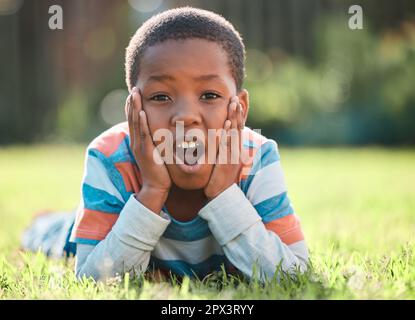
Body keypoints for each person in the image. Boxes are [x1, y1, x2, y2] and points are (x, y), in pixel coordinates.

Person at [22, 7, 309, 283]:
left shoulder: (256, 158)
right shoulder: (110, 158)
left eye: (209, 95)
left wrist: (224, 194)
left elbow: (294, 275)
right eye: (161, 97)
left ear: (240, 108)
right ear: (133, 107)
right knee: (55, 235)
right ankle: (47, 223)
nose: (185, 116)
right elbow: (94, 278)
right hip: (103, 230)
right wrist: (153, 192)